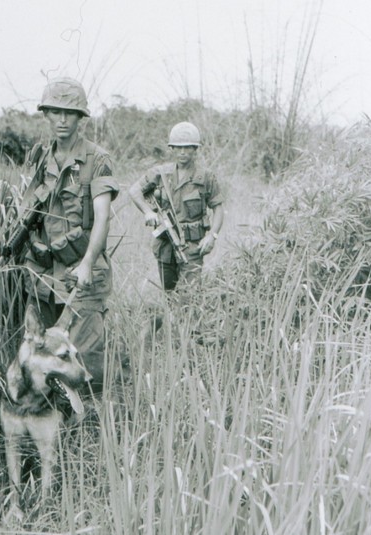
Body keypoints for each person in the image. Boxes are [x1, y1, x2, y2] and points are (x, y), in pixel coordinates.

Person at [19, 77, 119, 392]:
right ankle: (54, 425)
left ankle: (91, 432)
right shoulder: (39, 157)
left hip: (80, 274)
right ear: (46, 114)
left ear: (80, 118)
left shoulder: (97, 159)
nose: (62, 120)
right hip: (44, 274)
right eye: (55, 112)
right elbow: (29, 210)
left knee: (86, 359)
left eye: (70, 113)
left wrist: (88, 262)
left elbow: (102, 217)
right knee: (48, 360)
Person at [129, 121, 224, 292]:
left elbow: (218, 208)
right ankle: (171, 319)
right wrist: (148, 212)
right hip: (165, 245)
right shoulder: (160, 173)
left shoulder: (206, 177)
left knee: (190, 295)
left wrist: (212, 236)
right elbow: (134, 190)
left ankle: (187, 319)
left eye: (188, 147)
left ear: (195, 149)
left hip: (192, 247)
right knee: (169, 294)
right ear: (171, 149)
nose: (182, 152)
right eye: (178, 147)